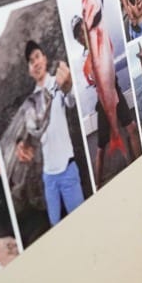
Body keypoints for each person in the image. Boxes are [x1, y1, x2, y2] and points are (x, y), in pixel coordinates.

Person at [15, 41, 85, 225]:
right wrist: (21, 146)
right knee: (55, 224)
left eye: (37, 56)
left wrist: (69, 86)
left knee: (81, 223)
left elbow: (71, 100)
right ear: (29, 69)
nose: (35, 63)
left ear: (45, 58)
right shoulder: (30, 101)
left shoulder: (57, 82)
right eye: (31, 61)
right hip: (48, 177)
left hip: (67, 168)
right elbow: (30, 135)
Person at [70, 14, 141, 184]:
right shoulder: (83, 59)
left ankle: (139, 165)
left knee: (131, 128)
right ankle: (98, 185)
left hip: (114, 88)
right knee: (101, 147)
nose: (81, 36)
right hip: (103, 99)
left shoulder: (100, 40)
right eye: (77, 35)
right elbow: (93, 79)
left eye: (82, 31)